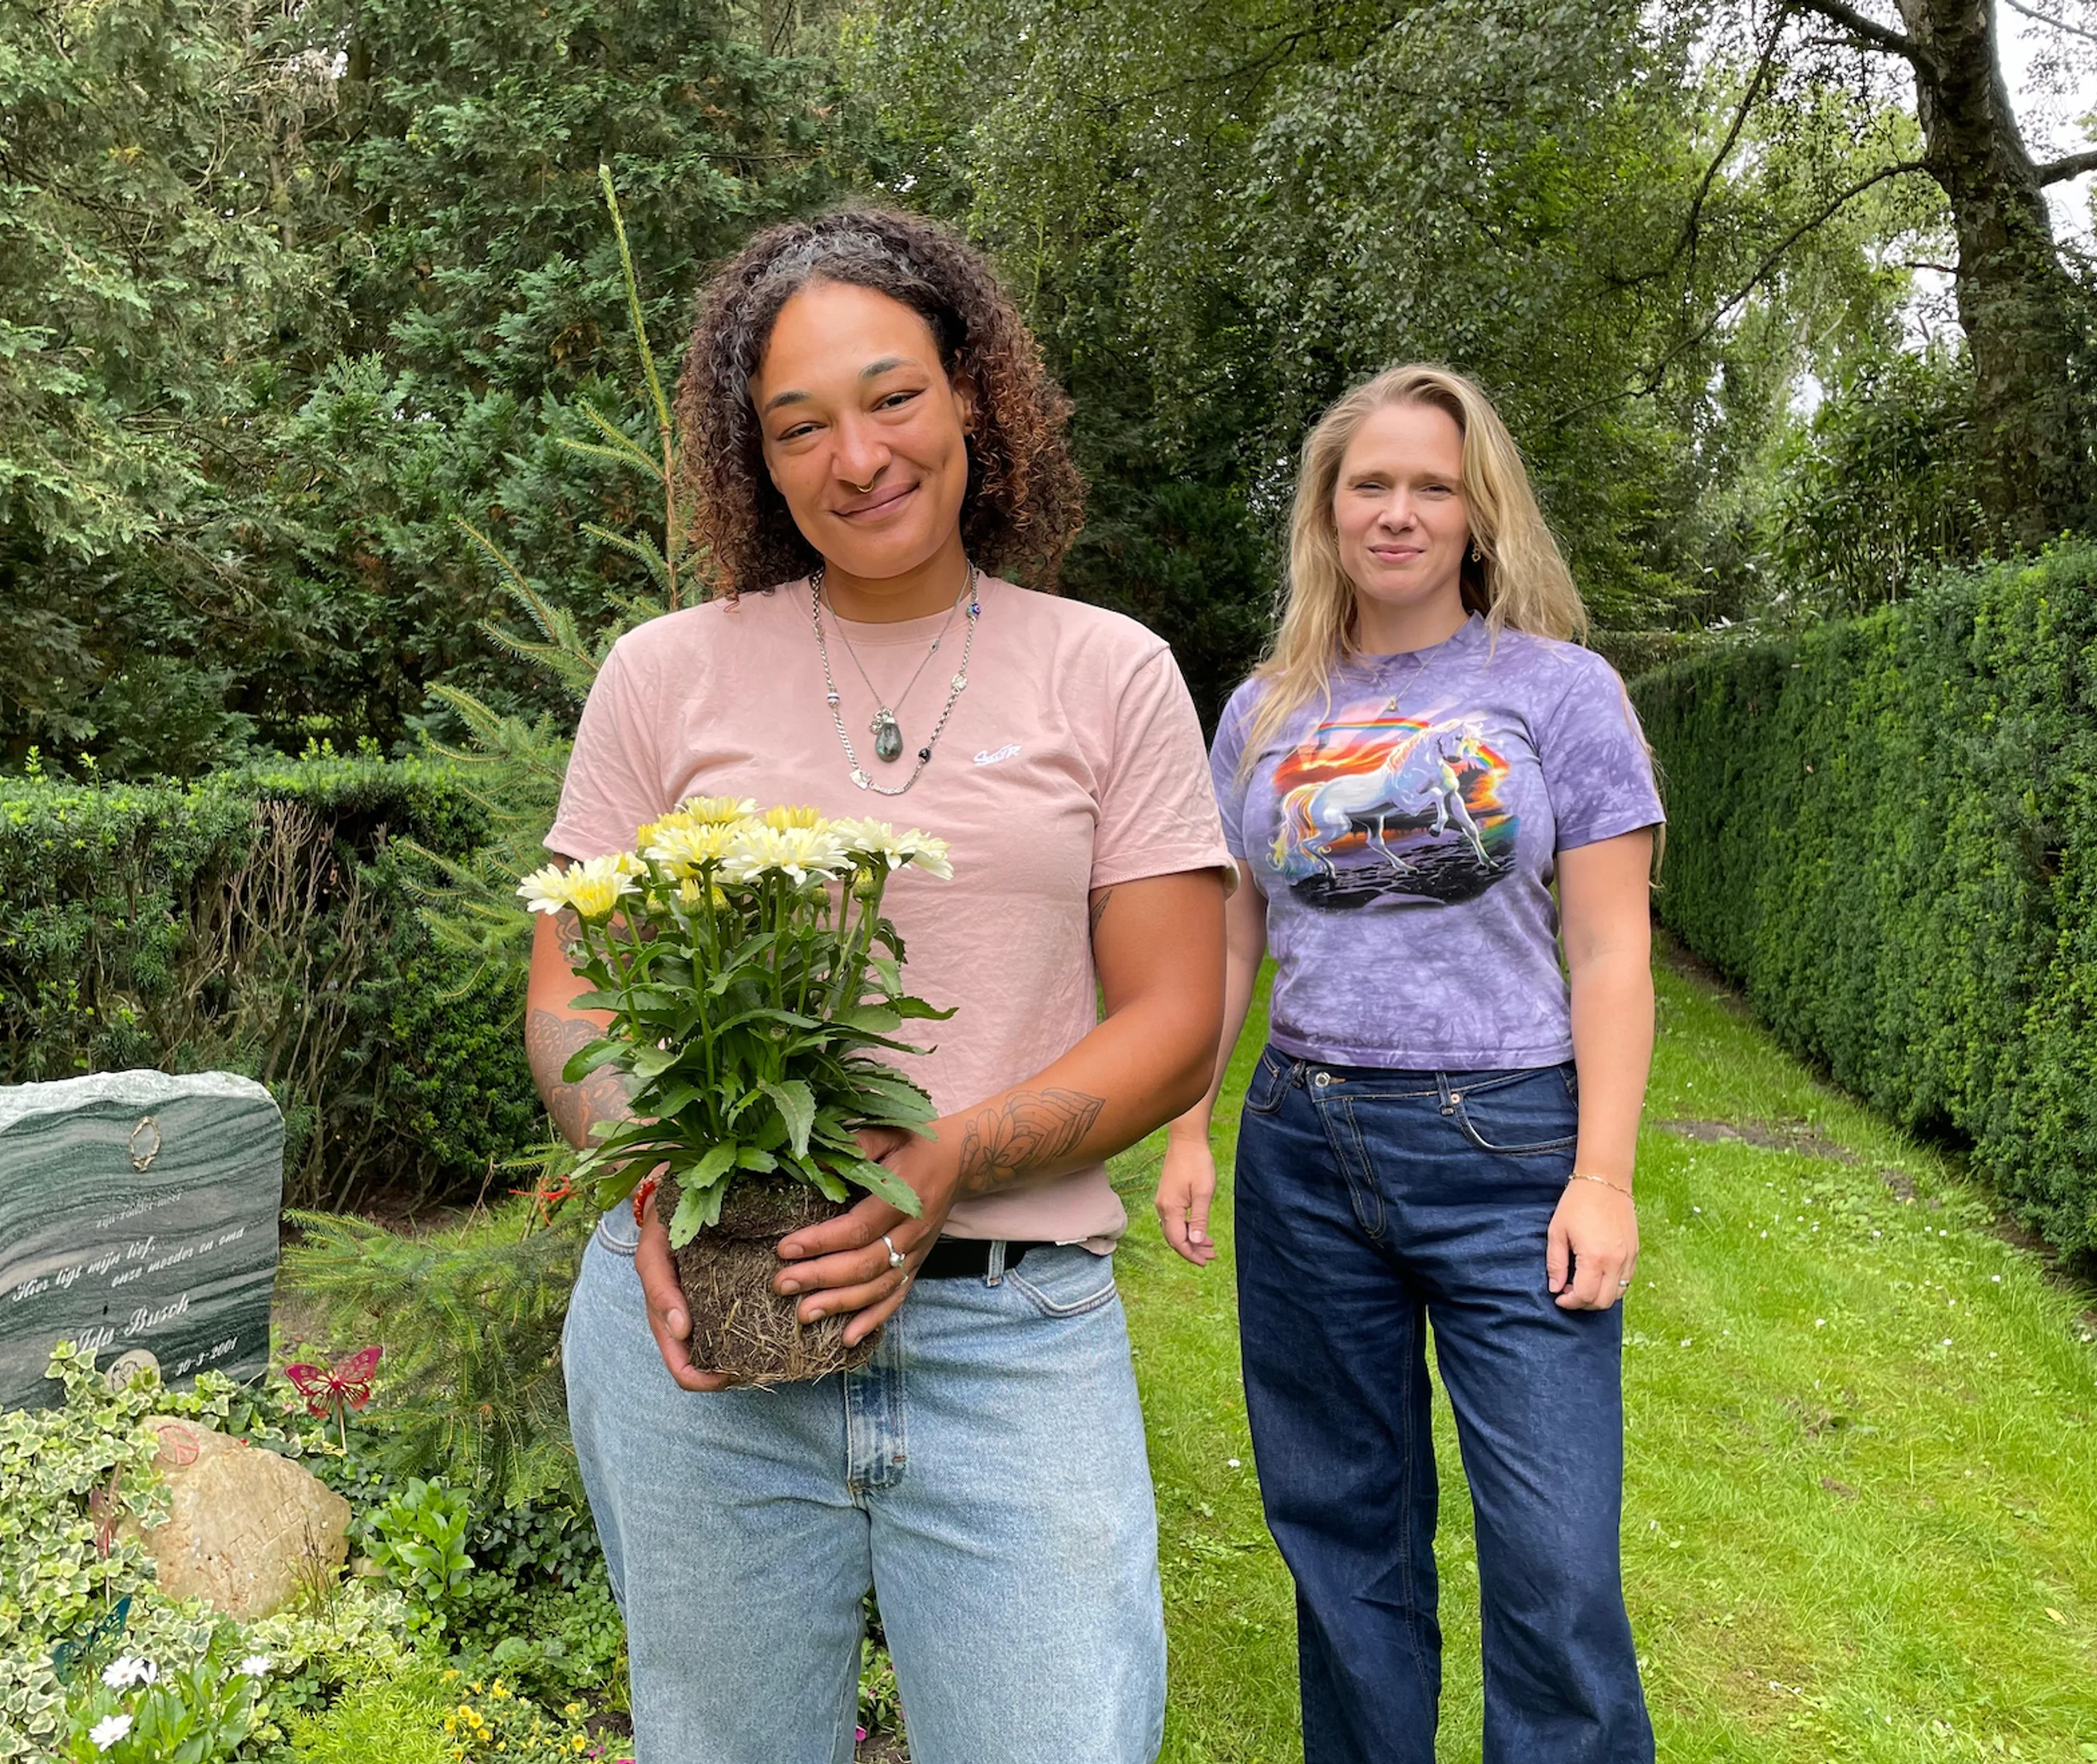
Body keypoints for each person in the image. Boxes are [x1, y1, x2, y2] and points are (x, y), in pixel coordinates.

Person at [527, 209, 1230, 1764]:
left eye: (893, 395)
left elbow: (1179, 1018)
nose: (859, 455)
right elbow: (569, 989)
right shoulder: (666, 673)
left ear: (974, 390)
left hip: (1011, 1336)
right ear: (758, 462)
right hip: (709, 1349)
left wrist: (948, 1159)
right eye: (801, 425)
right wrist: (652, 1177)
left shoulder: (1106, 672)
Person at [1157, 363, 1662, 1762]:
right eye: (1369, 485)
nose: (1398, 512)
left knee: (1556, 1564)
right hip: (1305, 1153)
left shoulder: (1559, 693)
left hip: (1507, 1153)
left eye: (1431, 486)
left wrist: (1603, 1177)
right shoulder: (1263, 709)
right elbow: (1229, 937)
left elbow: (1612, 953)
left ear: (1478, 511)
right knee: (1342, 1540)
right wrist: (1192, 1124)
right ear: (1326, 513)